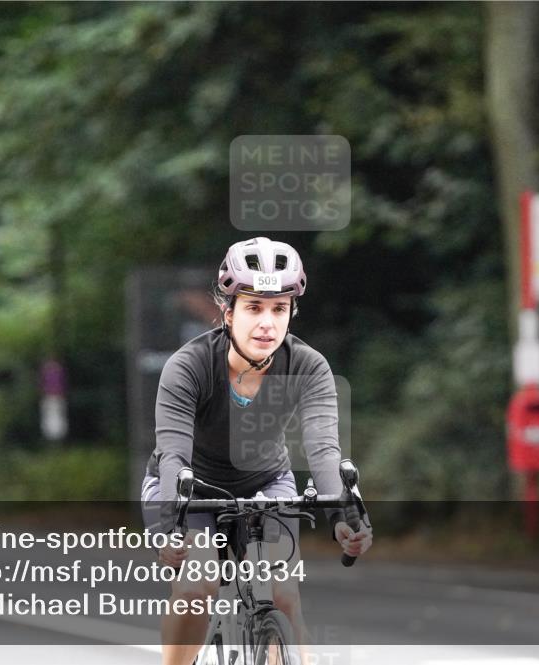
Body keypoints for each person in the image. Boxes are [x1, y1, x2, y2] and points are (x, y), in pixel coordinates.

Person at [141, 236, 372, 665]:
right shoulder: (189, 365)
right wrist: (170, 527)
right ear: (228, 312)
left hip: (266, 483)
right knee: (197, 586)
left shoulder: (307, 366)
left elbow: (322, 447)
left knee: (283, 596)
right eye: (253, 308)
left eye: (279, 309)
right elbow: (173, 453)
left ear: (291, 312)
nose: (267, 323)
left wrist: (345, 515)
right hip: (191, 488)